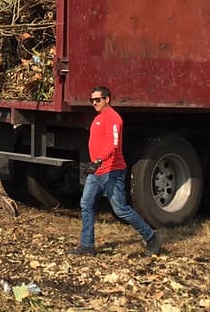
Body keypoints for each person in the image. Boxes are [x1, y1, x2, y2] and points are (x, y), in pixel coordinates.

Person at [69, 85, 163, 256]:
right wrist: (94, 164)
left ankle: (151, 237)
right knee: (86, 204)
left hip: (112, 171)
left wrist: (98, 160)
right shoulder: (98, 118)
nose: (94, 103)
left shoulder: (113, 118)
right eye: (92, 100)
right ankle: (87, 246)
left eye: (98, 99)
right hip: (96, 171)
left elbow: (113, 144)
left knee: (121, 209)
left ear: (107, 99)